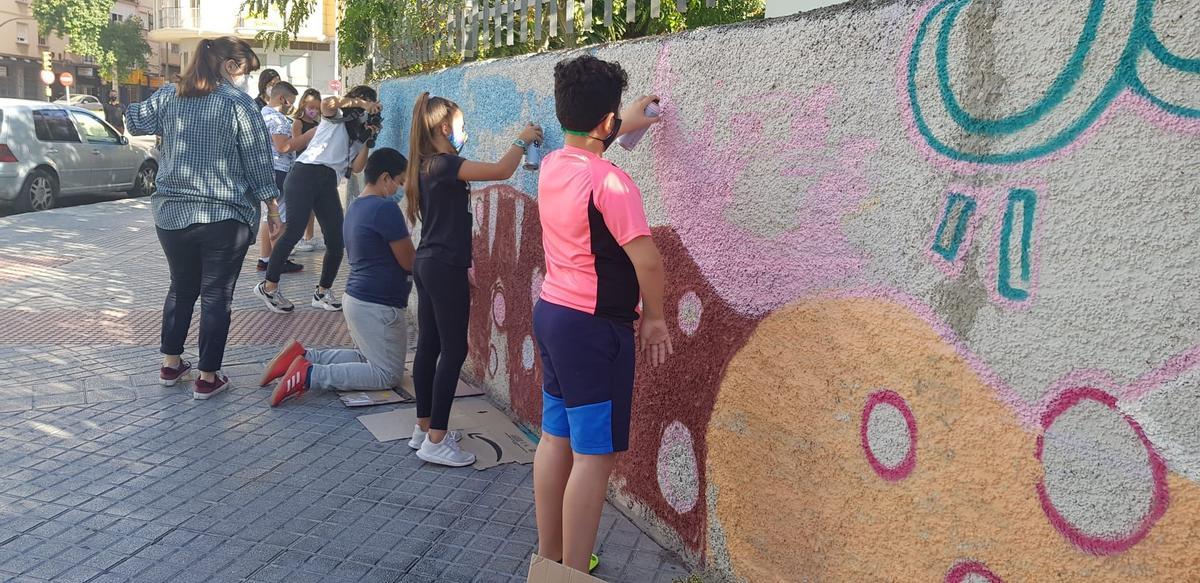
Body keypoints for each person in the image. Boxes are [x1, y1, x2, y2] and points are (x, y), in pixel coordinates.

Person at [531, 55, 670, 574]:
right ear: (607, 123)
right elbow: (648, 261)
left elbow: (587, 141)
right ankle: (570, 572)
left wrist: (622, 120)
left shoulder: (552, 164)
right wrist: (654, 318)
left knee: (555, 439)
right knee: (594, 457)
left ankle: (548, 559)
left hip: (553, 315)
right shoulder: (610, 183)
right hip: (594, 330)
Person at [125, 36, 282, 400]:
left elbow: (134, 120)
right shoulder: (238, 103)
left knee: (180, 288)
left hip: (172, 215)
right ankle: (208, 378)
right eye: (245, 70)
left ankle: (170, 364)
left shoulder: (170, 95)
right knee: (215, 297)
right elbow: (258, 162)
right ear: (230, 66)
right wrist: (271, 208)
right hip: (224, 218)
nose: (245, 78)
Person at [403, 92, 542, 467]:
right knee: (453, 351)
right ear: (445, 128)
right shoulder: (446, 165)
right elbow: (500, 171)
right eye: (462, 126)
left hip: (429, 262)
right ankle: (437, 439)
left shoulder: (424, 165)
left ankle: (424, 427)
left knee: (430, 347)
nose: (466, 132)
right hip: (443, 265)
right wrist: (523, 138)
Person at [261, 148, 413, 405]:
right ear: (385, 178)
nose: (401, 189)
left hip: (359, 299)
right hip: (378, 304)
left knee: (367, 358)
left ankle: (304, 355)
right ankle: (310, 374)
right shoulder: (385, 209)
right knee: (386, 374)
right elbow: (409, 261)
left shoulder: (356, 206)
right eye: (400, 182)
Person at [253, 85, 379, 314]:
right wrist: (359, 104)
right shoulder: (337, 117)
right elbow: (327, 104)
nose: (365, 113)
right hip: (306, 174)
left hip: (328, 181)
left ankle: (322, 292)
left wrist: (369, 139)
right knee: (294, 231)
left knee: (336, 240)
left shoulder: (356, 131)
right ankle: (269, 286)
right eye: (364, 106)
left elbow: (358, 167)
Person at [257, 81, 313, 273]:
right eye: (291, 101)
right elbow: (283, 147)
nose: (292, 106)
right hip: (280, 171)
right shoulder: (278, 119)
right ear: (282, 98)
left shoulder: (262, 114)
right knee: (281, 218)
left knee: (270, 217)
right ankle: (278, 260)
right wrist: (308, 136)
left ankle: (266, 259)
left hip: (267, 169)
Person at [291, 88, 325, 253]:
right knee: (302, 205)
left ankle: (309, 236)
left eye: (317, 108)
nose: (314, 111)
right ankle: (298, 239)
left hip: (316, 165)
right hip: (301, 165)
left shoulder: (319, 124)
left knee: (312, 205)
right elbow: (296, 143)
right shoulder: (298, 122)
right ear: (303, 104)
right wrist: (310, 136)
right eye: (311, 107)